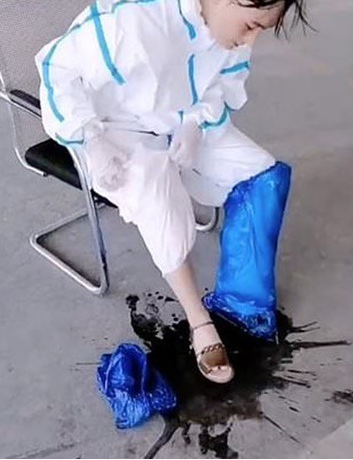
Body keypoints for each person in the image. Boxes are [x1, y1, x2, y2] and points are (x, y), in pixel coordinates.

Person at [35, 0, 308, 384]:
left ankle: (241, 305)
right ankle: (199, 320)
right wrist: (90, 139)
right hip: (113, 132)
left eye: (261, 29)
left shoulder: (232, 31)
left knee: (264, 174)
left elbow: (224, 83)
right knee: (158, 196)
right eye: (251, 26)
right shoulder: (134, 18)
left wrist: (196, 123)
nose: (251, 40)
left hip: (181, 123)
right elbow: (56, 69)